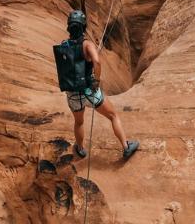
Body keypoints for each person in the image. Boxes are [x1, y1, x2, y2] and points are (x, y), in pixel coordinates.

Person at [55, 10, 139, 159]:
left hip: (73, 94)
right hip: (89, 91)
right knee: (113, 115)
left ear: (69, 27)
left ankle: (80, 148)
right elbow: (97, 62)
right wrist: (96, 80)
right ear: (84, 26)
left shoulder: (64, 45)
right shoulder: (87, 45)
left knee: (79, 122)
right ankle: (126, 147)